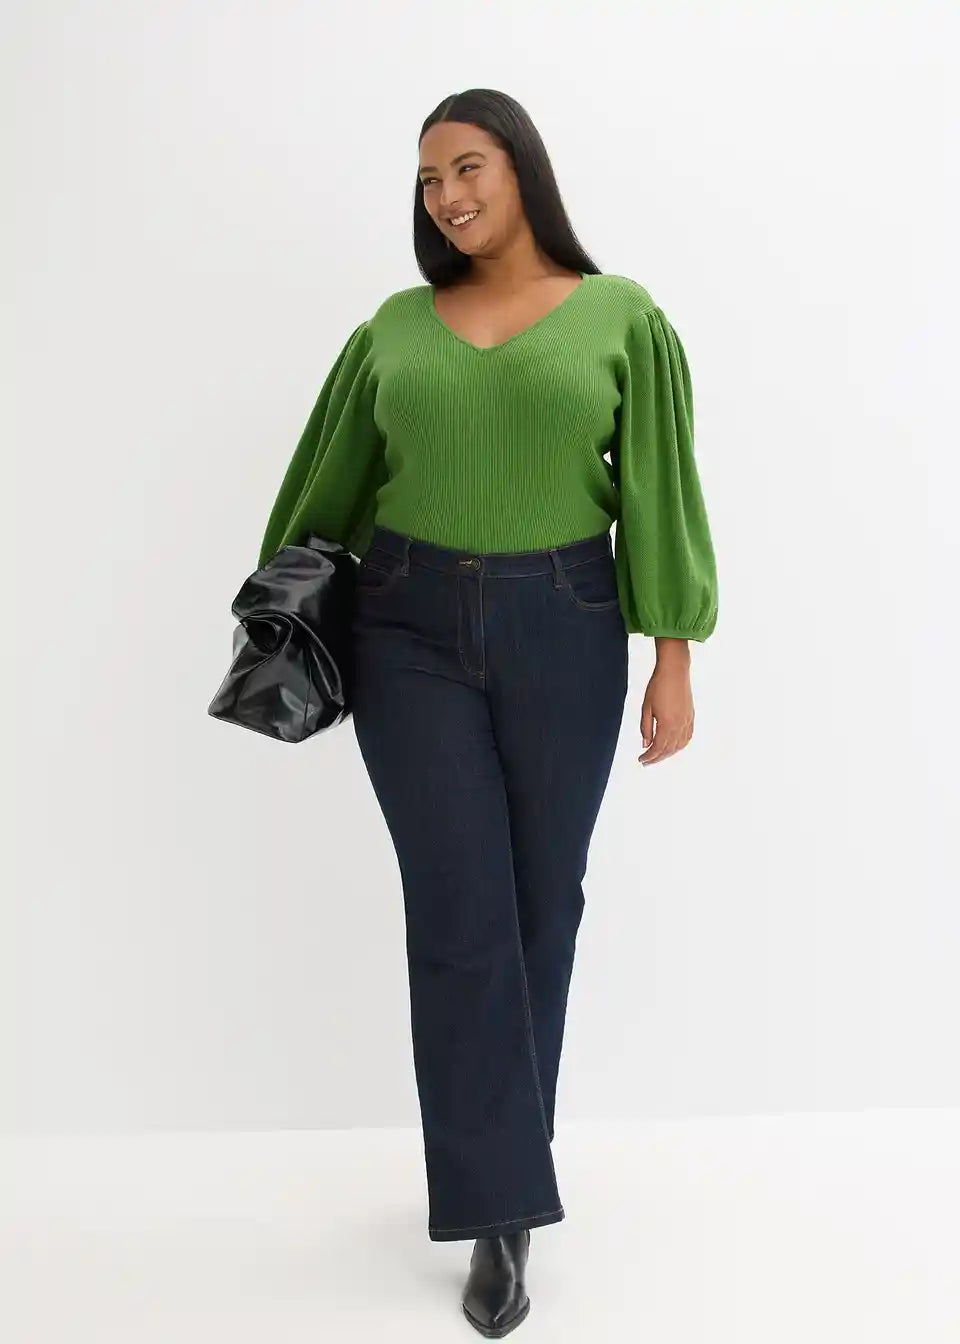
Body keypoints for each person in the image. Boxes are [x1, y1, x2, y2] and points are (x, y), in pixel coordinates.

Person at [256, 88, 718, 1339]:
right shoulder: (395, 329)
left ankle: (509, 1182)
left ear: (522, 170)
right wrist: (277, 619)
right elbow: (325, 487)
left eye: (467, 167)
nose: (448, 195)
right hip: (406, 633)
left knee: (540, 909)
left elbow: (661, 489)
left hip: (566, 623)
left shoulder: (621, 317)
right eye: (428, 179)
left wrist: (673, 654)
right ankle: (497, 1214)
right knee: (461, 914)